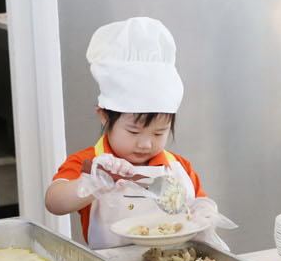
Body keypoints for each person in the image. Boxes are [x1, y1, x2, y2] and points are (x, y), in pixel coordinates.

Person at [45, 18, 207, 248]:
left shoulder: (179, 168)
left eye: (159, 133)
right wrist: (93, 183)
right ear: (104, 116)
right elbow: (54, 202)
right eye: (133, 131)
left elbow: (197, 202)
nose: (145, 143)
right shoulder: (87, 163)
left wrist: (205, 211)